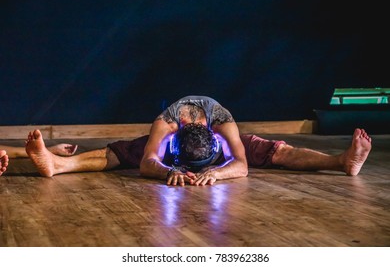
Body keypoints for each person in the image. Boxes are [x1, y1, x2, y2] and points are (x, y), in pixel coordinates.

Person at [21, 95, 371, 186]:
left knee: (279, 152)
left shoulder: (224, 123)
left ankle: (341, 162)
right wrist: (164, 170)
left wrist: (217, 173)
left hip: (217, 146)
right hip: (171, 151)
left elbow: (243, 166)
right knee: (120, 154)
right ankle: (59, 164)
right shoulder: (165, 125)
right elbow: (146, 163)